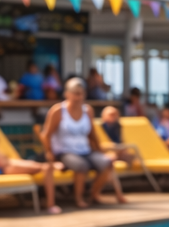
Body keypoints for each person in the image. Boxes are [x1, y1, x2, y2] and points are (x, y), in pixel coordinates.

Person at [43, 77, 118, 207]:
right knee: (81, 165)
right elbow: (46, 134)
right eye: (76, 94)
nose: (79, 97)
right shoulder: (58, 111)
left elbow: (92, 134)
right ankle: (78, 199)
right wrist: (49, 153)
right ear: (67, 94)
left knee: (106, 162)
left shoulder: (87, 110)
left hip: (85, 150)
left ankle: (94, 194)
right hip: (65, 152)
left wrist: (100, 150)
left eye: (81, 93)